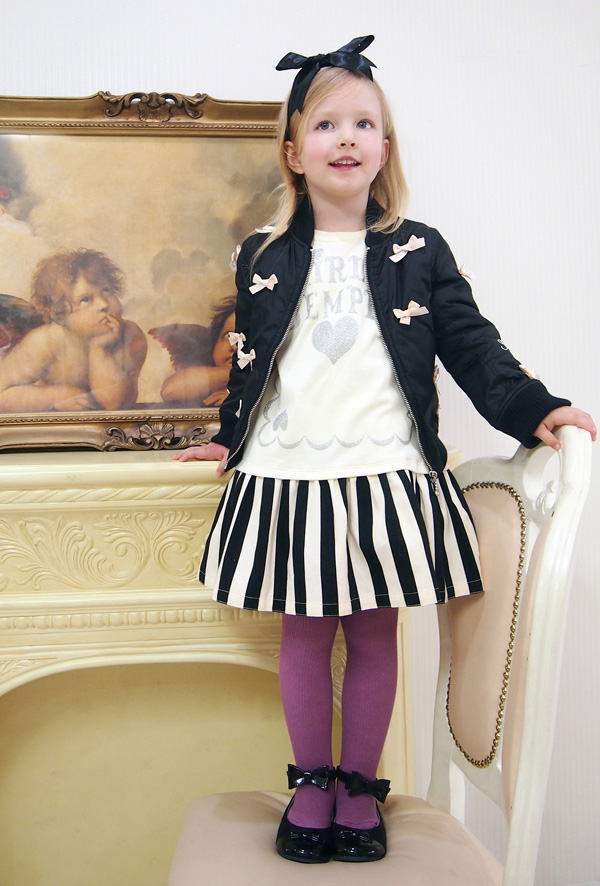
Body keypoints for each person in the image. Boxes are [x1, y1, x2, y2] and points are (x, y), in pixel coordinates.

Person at [174, 36, 596, 864]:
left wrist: (534, 408)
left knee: (373, 634)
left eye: (364, 124)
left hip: (386, 470)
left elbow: (472, 345)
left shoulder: (419, 249)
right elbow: (253, 361)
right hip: (291, 470)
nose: (347, 138)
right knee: (305, 634)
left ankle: (360, 789)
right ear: (294, 151)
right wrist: (228, 436)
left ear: (384, 146)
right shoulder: (263, 254)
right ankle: (311, 786)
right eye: (326, 124)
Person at [0, 249, 147, 412]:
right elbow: (2, 394)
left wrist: (99, 350)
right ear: (59, 315)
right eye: (86, 299)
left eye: (107, 291)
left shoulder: (130, 335)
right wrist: (55, 397)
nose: (103, 304)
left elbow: (114, 405)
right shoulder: (46, 341)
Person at [151, 295, 237, 408]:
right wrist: (243, 372)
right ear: (214, 344)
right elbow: (170, 390)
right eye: (228, 335)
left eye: (247, 338)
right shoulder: (204, 379)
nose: (234, 346)